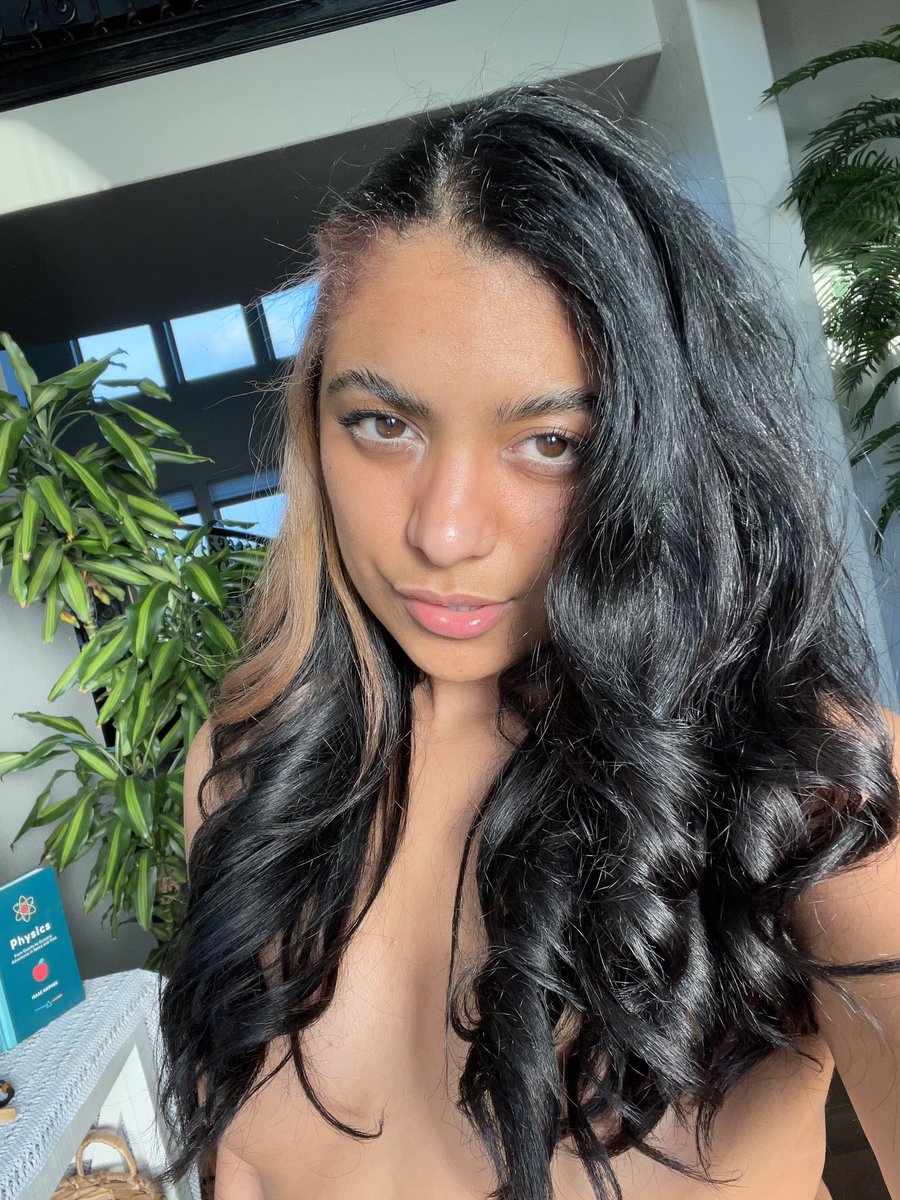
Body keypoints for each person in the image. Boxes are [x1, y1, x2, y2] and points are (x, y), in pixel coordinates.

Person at [155, 83, 900, 1200]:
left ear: (663, 457)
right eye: (384, 423)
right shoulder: (240, 771)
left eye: (552, 441)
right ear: (315, 426)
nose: (444, 532)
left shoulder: (808, 788)